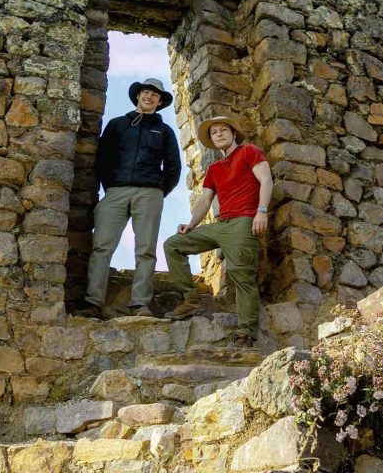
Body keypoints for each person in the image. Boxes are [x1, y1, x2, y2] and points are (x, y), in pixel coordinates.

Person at [74, 78, 181, 319]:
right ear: (138, 96)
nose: (150, 97)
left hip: (149, 193)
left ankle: (140, 304)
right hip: (115, 192)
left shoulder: (164, 131)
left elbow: (173, 166)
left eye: (155, 95)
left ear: (160, 101)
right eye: (146, 92)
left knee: (146, 250)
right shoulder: (117, 125)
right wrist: (110, 186)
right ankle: (93, 302)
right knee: (101, 246)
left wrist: (159, 190)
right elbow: (102, 159)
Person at [163, 116, 272, 345]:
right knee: (173, 244)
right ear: (211, 140)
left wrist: (261, 211)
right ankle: (191, 300)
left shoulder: (249, 152)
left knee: (241, 276)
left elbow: (266, 180)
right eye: (214, 132)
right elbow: (204, 201)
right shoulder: (214, 169)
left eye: (224, 130)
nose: (219, 134)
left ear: (233, 134)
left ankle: (246, 333)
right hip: (221, 224)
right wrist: (191, 224)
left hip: (243, 221)